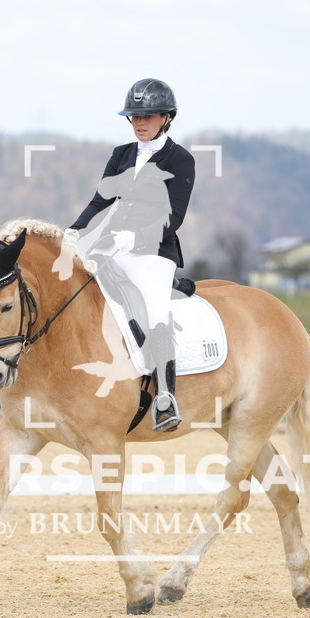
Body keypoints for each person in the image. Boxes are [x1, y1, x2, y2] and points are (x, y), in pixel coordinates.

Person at [67, 78, 196, 432]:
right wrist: (75, 232)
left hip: (155, 252)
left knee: (154, 309)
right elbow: (100, 200)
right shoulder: (121, 154)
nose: (140, 123)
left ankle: (166, 397)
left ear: (167, 117)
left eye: (148, 116)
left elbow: (175, 216)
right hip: (112, 246)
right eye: (135, 117)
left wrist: (137, 236)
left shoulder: (181, 159)